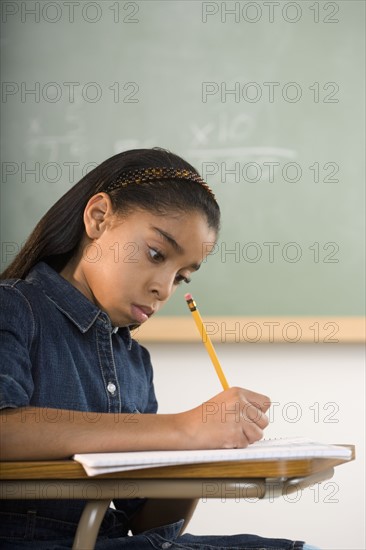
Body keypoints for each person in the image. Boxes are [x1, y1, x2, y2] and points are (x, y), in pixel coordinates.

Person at [0, 148, 320, 549]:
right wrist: (181, 428)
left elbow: (146, 521)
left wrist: (201, 455)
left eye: (181, 278)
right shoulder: (14, 307)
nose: (163, 289)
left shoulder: (135, 362)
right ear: (99, 218)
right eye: (156, 254)